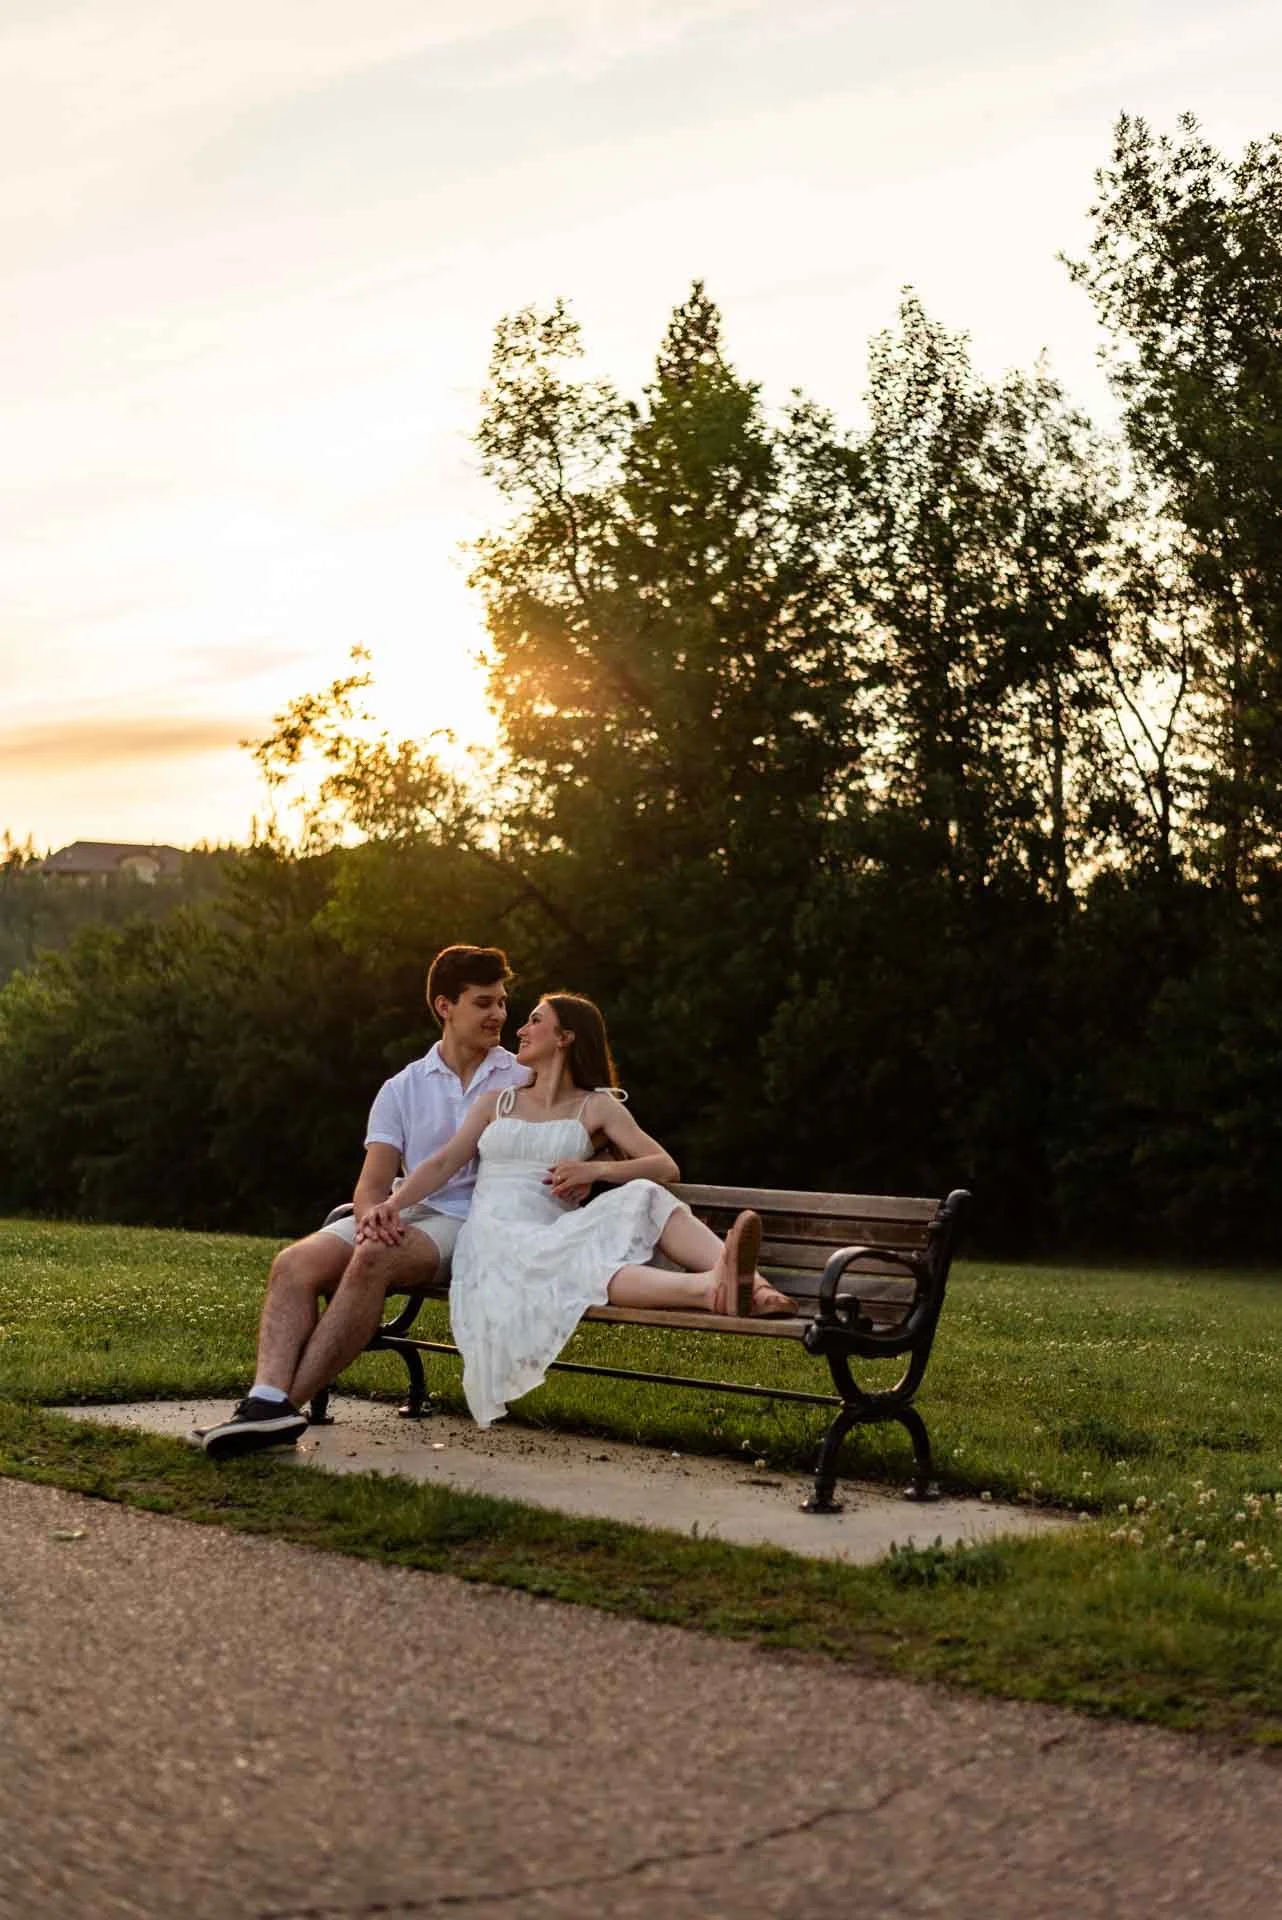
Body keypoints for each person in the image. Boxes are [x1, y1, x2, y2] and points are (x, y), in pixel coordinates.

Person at [357, 991, 792, 1428]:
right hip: (497, 1236)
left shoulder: (596, 1105)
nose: (520, 1030)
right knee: (578, 1261)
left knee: (647, 1193)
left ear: (564, 1037)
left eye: (533, 1021)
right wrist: (392, 1204)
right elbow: (442, 1163)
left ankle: (752, 1286)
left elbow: (665, 1166)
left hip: (553, 1228)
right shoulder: (497, 1103)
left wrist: (594, 1170)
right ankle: (717, 1287)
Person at [200, 944, 530, 1459]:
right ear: (446, 1006)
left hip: (471, 1221)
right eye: (484, 1003)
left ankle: (282, 1410)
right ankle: (264, 1401)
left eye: (503, 1003)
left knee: (372, 1258)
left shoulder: (521, 1080)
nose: (500, 1016)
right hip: (405, 1212)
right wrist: (373, 1213)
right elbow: (373, 1181)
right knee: (293, 1263)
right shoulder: (401, 1087)